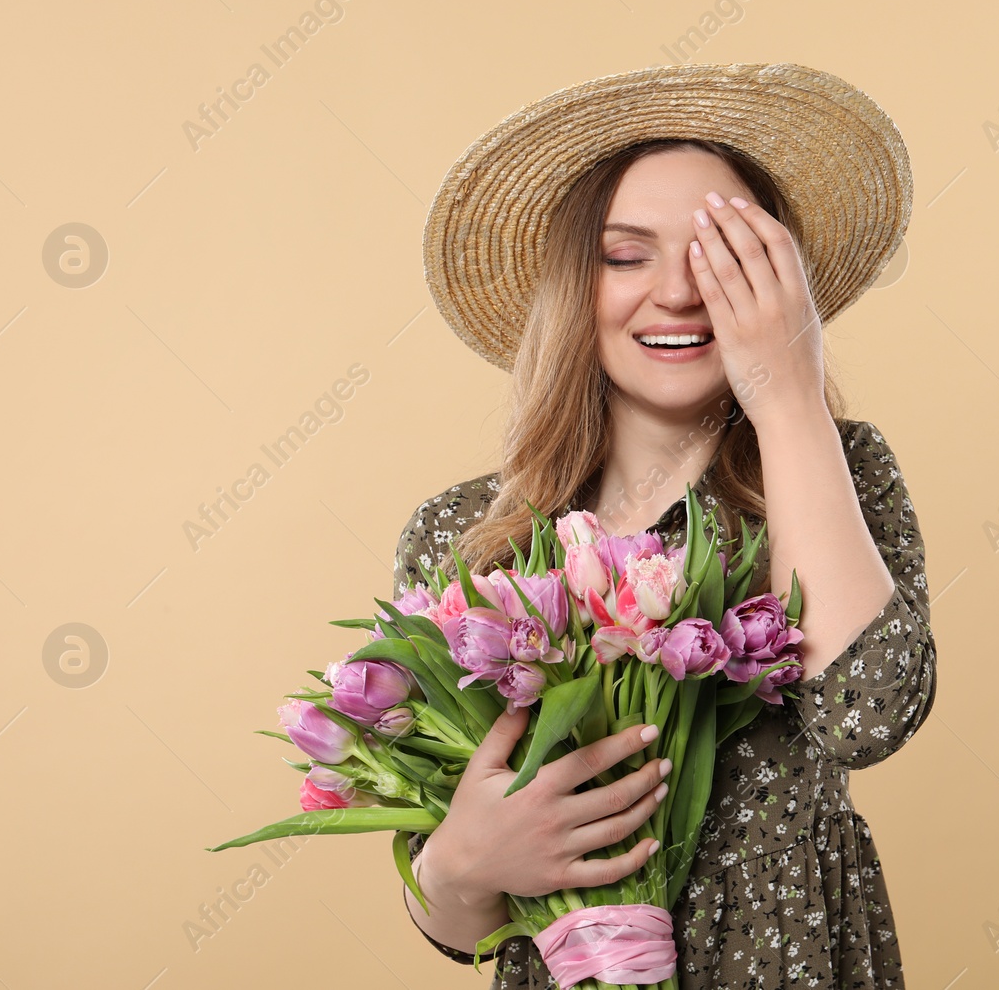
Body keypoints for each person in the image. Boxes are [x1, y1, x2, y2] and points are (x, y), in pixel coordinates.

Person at [391, 62, 935, 989]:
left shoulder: (836, 472)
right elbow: (452, 920)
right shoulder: (469, 537)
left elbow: (866, 716)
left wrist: (790, 395)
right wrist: (458, 862)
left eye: (724, 259)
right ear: (572, 283)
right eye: (626, 254)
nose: (680, 294)